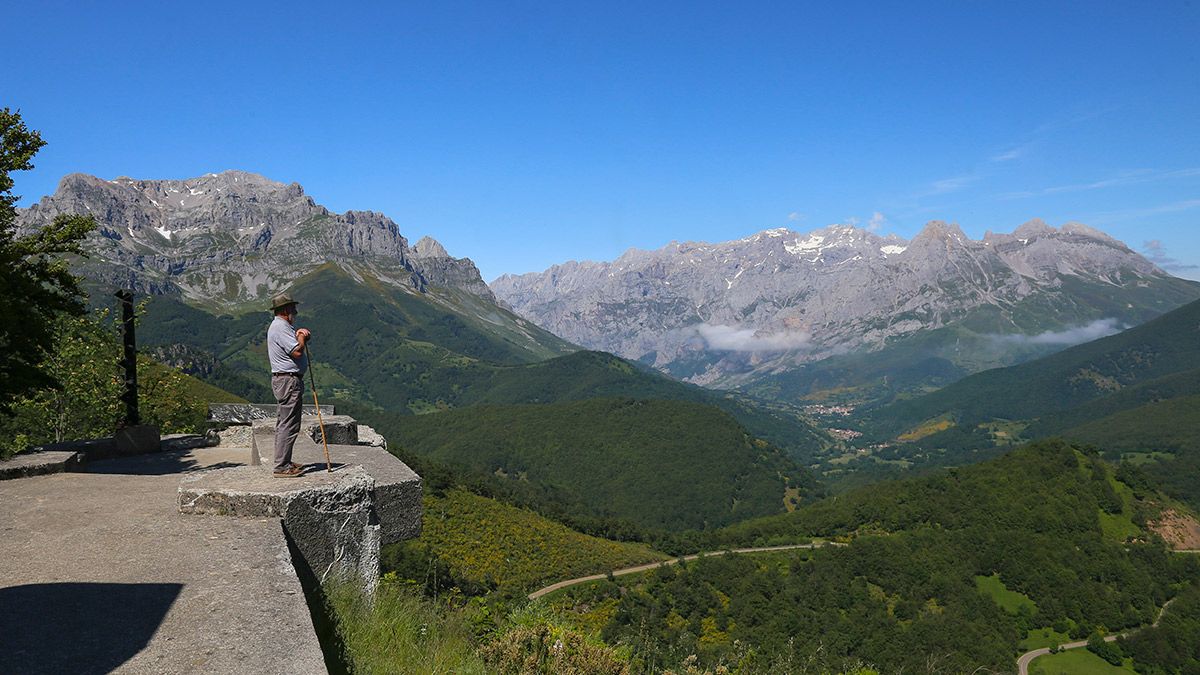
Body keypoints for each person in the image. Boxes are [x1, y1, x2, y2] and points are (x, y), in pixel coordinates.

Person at [267, 292, 311, 477]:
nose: (296, 311)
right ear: (285, 310)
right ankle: (281, 466)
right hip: (288, 381)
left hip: (285, 380)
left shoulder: (279, 326)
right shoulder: (281, 327)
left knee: (285, 423)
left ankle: (284, 461)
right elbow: (297, 352)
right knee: (289, 424)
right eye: (293, 308)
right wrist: (303, 336)